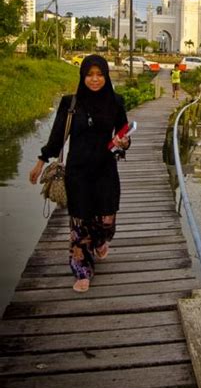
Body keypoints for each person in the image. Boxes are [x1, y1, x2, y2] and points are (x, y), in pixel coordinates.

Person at [29, 55, 131, 293]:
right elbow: (57, 137)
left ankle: (100, 241)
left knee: (107, 219)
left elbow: (124, 135)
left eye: (99, 75)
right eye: (89, 75)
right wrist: (41, 161)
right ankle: (82, 269)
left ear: (106, 76)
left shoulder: (116, 102)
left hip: (106, 169)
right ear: (82, 76)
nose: (94, 80)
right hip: (78, 172)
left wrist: (123, 142)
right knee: (80, 220)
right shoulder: (70, 103)